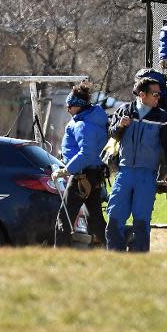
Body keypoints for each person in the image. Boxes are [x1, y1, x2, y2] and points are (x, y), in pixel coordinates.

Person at [106, 77, 167, 252]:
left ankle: (139, 258)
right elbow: (112, 134)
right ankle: (114, 255)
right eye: (155, 94)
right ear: (142, 94)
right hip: (124, 173)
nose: (158, 97)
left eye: (159, 94)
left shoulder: (163, 117)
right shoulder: (124, 111)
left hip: (147, 175)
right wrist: (120, 126)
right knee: (115, 215)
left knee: (142, 219)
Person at [52, 82, 109, 247]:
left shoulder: (83, 124)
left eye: (69, 106)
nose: (68, 109)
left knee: (64, 218)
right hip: (94, 174)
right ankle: (112, 248)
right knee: (96, 217)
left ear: (78, 106)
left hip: (81, 176)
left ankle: (60, 254)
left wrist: (66, 170)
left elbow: (87, 153)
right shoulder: (93, 118)